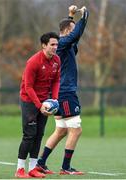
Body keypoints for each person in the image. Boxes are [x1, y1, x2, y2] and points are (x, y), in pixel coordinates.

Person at [36, 5, 89, 175]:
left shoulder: (64, 42)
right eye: (71, 30)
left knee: (61, 131)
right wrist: (85, 15)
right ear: (66, 31)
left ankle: (41, 163)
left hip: (62, 91)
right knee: (76, 129)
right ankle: (66, 168)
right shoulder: (62, 43)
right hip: (66, 92)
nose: (74, 34)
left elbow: (72, 33)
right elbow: (74, 34)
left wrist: (71, 16)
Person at [15, 32, 60, 178]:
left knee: (39, 135)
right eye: (52, 44)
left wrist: (54, 99)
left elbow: (56, 81)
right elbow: (28, 87)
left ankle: (33, 168)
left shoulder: (56, 60)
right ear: (44, 45)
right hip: (29, 101)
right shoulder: (33, 62)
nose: (55, 47)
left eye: (56, 44)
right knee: (29, 135)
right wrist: (39, 105)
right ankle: (20, 170)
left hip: (45, 103)